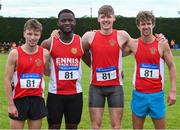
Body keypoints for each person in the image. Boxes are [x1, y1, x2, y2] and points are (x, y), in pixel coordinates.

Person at [82, 5, 166, 129]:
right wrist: (92, 65)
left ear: (114, 18)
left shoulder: (122, 35)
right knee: (95, 126)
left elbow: (139, 44)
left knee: (116, 126)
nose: (106, 20)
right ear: (98, 19)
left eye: (108, 16)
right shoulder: (89, 36)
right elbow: (80, 52)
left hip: (115, 87)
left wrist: (158, 38)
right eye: (103, 17)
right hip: (96, 87)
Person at [126, 11, 176, 129]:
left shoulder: (162, 44)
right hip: (139, 95)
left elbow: (172, 66)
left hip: (157, 95)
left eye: (148, 23)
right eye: (143, 24)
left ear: (153, 24)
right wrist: (99, 31)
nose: (146, 27)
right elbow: (114, 48)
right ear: (138, 25)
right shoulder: (133, 44)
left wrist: (173, 90)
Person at [41, 9, 84, 129]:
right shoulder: (49, 43)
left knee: (72, 126)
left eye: (70, 20)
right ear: (58, 23)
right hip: (55, 94)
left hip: (75, 94)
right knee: (54, 126)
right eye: (63, 20)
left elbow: (94, 62)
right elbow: (37, 61)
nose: (67, 23)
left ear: (75, 22)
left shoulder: (81, 42)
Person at [4, 19, 50, 129]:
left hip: (37, 99)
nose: (32, 37)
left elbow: (48, 73)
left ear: (40, 35)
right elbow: (7, 79)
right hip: (19, 99)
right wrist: (10, 104)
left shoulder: (45, 53)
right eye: (29, 34)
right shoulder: (15, 54)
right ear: (24, 33)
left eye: (36, 34)